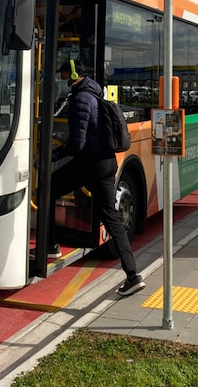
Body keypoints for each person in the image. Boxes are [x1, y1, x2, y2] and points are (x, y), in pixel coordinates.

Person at [48, 60, 145, 297]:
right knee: (111, 217)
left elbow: (77, 143)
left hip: (89, 164)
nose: (63, 80)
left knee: (49, 189)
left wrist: (51, 156)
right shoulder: (95, 93)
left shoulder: (81, 99)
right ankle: (133, 275)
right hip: (106, 163)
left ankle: (51, 246)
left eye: (64, 76)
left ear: (73, 74)